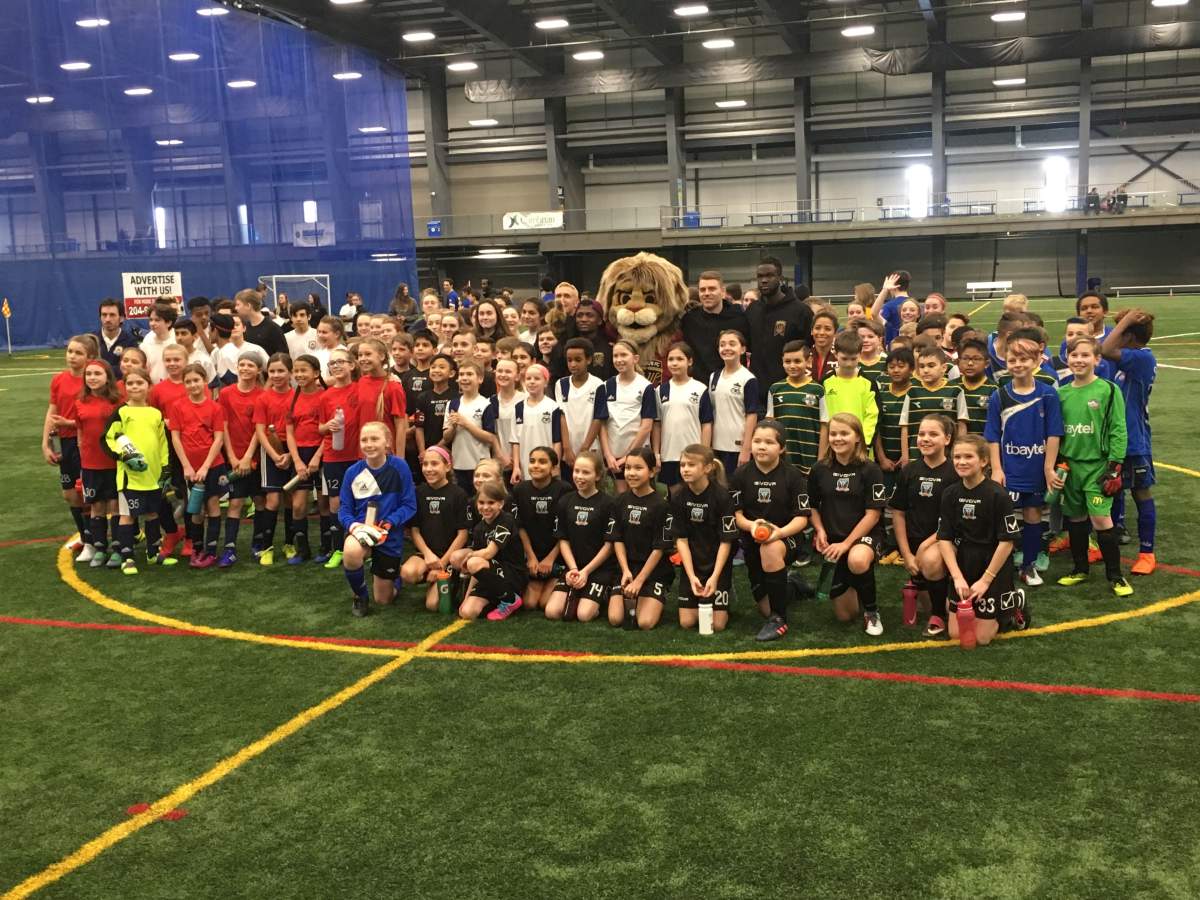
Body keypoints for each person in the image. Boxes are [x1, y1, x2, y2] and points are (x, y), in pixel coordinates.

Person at [1053, 336, 1132, 596]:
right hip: (1070, 467)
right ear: (1067, 359)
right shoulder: (1061, 393)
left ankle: (1116, 576)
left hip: (1098, 467)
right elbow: (1055, 434)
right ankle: (1080, 569)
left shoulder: (1108, 390)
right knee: (1075, 519)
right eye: (1074, 355)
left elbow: (1118, 429)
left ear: (1097, 360)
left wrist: (1115, 465)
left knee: (1100, 519)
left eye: (1085, 355)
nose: (1079, 360)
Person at [984, 337, 1063, 586]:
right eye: (1012, 360)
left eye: (1024, 359)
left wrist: (1048, 468)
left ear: (1037, 360)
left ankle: (1028, 566)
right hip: (1009, 470)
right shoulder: (1000, 395)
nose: (1018, 364)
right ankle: (999, 567)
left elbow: (1054, 433)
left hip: (1036, 469)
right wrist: (997, 468)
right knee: (1003, 518)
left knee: (1033, 514)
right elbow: (993, 436)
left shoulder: (1048, 394)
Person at [938, 434, 1029, 645]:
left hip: (992, 562)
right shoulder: (950, 493)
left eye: (968, 457)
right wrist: (957, 577)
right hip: (964, 561)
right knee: (955, 634)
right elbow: (944, 538)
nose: (961, 462)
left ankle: (1014, 602)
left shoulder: (998, 495)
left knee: (982, 638)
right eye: (957, 457)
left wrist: (986, 580)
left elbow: (1007, 542)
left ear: (983, 461)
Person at [730, 420, 811, 641]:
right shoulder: (740, 475)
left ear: (782, 448)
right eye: (756, 441)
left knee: (771, 548)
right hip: (751, 541)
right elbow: (735, 516)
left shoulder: (793, 476)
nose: (761, 447)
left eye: (769, 442)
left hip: (787, 538)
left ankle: (779, 619)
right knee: (765, 605)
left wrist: (779, 533)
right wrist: (752, 526)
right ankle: (792, 584)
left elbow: (802, 518)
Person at [809, 413, 887, 636]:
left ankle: (872, 612)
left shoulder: (870, 469)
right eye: (833, 433)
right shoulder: (819, 469)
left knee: (858, 559)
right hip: (834, 539)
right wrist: (820, 530)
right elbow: (812, 506)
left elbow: (873, 515)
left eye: (844, 433)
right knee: (845, 616)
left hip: (865, 536)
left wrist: (846, 544)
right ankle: (854, 582)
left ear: (858, 438)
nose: (837, 438)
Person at [338, 422, 417, 617]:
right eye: (364, 440)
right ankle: (360, 596)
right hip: (363, 531)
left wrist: (390, 522)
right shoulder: (352, 473)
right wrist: (355, 526)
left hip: (388, 533)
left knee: (383, 600)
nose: (369, 444)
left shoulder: (400, 467)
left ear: (387, 442)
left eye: (375, 439)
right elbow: (344, 510)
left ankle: (394, 576)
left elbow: (409, 505)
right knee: (350, 550)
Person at [1101, 308, 1157, 574]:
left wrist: (1126, 321)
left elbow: (1105, 348)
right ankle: (1108, 546)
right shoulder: (1131, 360)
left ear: (1129, 336)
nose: (1116, 335)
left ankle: (1147, 553)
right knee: (1111, 492)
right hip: (1116, 439)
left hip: (1134, 441)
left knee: (1141, 492)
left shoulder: (1142, 358)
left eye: (1120, 332)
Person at [890, 414, 957, 636]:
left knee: (930, 561)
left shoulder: (955, 472)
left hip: (946, 540)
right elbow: (898, 513)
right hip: (915, 545)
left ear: (947, 439)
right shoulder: (909, 471)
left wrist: (922, 549)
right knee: (926, 600)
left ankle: (939, 614)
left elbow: (953, 521)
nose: (925, 439)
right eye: (921, 434)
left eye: (933, 434)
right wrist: (906, 553)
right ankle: (940, 602)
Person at [102, 366, 169, 575]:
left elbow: (162, 443)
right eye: (130, 383)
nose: (134, 387)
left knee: (151, 513)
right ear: (125, 387)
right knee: (128, 515)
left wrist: (165, 468)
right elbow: (108, 439)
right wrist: (124, 457)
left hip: (152, 476)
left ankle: (152, 553)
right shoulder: (121, 412)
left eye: (139, 383)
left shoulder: (155, 413)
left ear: (149, 386)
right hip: (130, 477)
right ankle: (127, 557)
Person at [670, 444, 738, 632]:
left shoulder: (722, 497)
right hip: (693, 563)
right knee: (687, 622)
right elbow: (681, 540)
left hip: (718, 563)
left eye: (691, 465)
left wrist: (715, 576)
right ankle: (697, 588)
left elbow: (726, 541)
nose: (685, 469)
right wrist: (691, 576)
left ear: (707, 468)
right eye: (682, 465)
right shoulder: (677, 497)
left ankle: (726, 592)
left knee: (716, 625)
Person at [543, 452, 618, 623]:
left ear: (598, 475)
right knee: (552, 612)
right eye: (576, 471)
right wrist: (574, 569)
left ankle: (603, 595)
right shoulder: (565, 501)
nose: (579, 476)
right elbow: (563, 540)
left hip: (599, 570)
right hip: (574, 568)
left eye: (586, 472)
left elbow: (609, 545)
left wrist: (586, 571)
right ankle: (580, 593)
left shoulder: (609, 504)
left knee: (584, 615)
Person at [607, 448, 675, 629]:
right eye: (628, 468)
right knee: (615, 619)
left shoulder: (662, 505)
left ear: (652, 471)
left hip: (653, 571)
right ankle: (630, 597)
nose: (631, 473)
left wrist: (639, 581)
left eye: (638, 468)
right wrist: (625, 571)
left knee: (645, 623)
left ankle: (653, 595)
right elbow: (617, 539)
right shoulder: (619, 501)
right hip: (627, 568)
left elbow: (659, 548)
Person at [170, 363, 228, 569]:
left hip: (212, 467)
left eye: (196, 380)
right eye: (188, 381)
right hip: (190, 469)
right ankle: (196, 548)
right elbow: (176, 438)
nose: (193, 385)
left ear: (204, 381)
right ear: (183, 384)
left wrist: (205, 467)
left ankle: (211, 551)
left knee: (212, 505)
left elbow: (218, 439)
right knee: (195, 509)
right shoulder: (178, 407)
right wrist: (187, 466)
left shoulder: (215, 407)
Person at [44, 335, 97, 558]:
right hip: (63, 442)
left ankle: (93, 543)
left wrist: (70, 424)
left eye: (78, 353)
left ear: (90, 357)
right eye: (70, 351)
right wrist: (45, 442)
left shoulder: (92, 381)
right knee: (69, 495)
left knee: (84, 492)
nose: (72, 356)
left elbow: (96, 417)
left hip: (84, 442)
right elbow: (52, 411)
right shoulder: (58, 379)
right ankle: (85, 538)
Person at [400, 446, 470, 611]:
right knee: (408, 573)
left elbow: (463, 535)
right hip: (427, 555)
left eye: (434, 464)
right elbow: (414, 531)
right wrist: (427, 554)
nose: (429, 469)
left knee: (433, 606)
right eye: (425, 464)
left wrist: (442, 564)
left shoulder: (459, 494)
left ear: (447, 466)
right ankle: (433, 579)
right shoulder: (418, 492)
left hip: (449, 557)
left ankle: (454, 580)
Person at [216, 352, 265, 567]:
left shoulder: (262, 395)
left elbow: (258, 430)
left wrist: (247, 457)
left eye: (250, 365)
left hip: (255, 458)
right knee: (235, 502)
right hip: (234, 458)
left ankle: (259, 544)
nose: (245, 368)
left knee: (259, 501)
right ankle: (229, 548)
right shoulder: (226, 394)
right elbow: (223, 426)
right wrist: (233, 457)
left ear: (259, 370)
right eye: (242, 364)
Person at [456, 481, 528, 621]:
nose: (486, 507)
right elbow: (475, 570)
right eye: (481, 503)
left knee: (473, 562)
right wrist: (467, 596)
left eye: (491, 503)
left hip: (512, 574)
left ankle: (510, 599)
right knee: (467, 612)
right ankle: (497, 601)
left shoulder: (506, 520)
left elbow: (489, 553)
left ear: (500, 504)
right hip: (489, 576)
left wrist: (470, 556)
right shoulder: (478, 529)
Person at [512, 446, 571, 612]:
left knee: (545, 604)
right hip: (533, 557)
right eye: (532, 461)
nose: (536, 465)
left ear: (553, 468)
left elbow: (566, 530)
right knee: (530, 604)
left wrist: (550, 559)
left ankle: (557, 580)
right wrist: (530, 557)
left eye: (542, 462)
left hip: (557, 556)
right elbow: (520, 526)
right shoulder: (520, 489)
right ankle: (538, 579)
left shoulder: (564, 489)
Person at [75, 360, 122, 568]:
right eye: (89, 374)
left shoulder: (117, 402)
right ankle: (100, 548)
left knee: (115, 506)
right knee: (96, 507)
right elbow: (79, 432)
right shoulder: (80, 402)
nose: (92, 377)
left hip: (112, 463)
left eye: (97, 374)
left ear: (107, 377)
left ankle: (118, 549)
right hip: (91, 464)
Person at [253, 354, 295, 565]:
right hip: (270, 451)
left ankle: (289, 543)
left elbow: (299, 429)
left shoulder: (297, 396)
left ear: (291, 372)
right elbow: (260, 431)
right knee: (273, 499)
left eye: (281, 371)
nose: (277, 375)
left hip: (293, 450)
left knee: (290, 500)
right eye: (272, 371)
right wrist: (275, 455)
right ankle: (266, 547)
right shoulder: (263, 398)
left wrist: (290, 454)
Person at [283, 355, 325, 565]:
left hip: (323, 455)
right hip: (300, 455)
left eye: (304, 370)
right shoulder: (293, 398)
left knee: (324, 503)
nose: (299, 375)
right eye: (296, 371)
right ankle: (303, 550)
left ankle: (327, 547)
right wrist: (297, 461)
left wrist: (318, 457)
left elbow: (330, 432)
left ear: (316, 373)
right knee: (298, 505)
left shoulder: (325, 396)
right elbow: (290, 433)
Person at [653, 343, 713, 487]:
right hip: (669, 454)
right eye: (671, 359)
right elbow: (657, 424)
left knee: (693, 492)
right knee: (674, 496)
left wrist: (703, 453)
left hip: (693, 454)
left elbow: (706, 424)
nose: (674, 363)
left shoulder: (700, 388)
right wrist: (656, 453)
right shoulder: (661, 390)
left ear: (690, 361)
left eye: (680, 359)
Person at [600, 340, 655, 491]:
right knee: (620, 496)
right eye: (615, 355)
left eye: (623, 355)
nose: (619, 359)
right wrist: (608, 455)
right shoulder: (606, 386)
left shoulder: (646, 387)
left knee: (638, 494)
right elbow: (602, 425)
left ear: (635, 359)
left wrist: (628, 457)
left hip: (637, 454)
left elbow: (646, 426)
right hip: (613, 455)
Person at [679, 270, 751, 384]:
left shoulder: (740, 318)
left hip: (733, 386)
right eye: (702, 290)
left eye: (712, 289)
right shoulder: (689, 320)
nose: (706, 293)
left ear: (722, 292)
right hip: (700, 388)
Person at [767, 341, 827, 475]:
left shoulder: (818, 390)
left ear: (808, 361)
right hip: (784, 457)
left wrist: (821, 459)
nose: (792, 365)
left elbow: (824, 426)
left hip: (810, 456)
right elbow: (770, 424)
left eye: (797, 361)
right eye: (787, 361)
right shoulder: (775, 389)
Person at [709, 329, 762, 476]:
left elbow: (752, 415)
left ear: (743, 349)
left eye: (732, 344)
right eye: (722, 344)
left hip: (737, 448)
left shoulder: (748, 378)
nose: (726, 348)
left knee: (735, 492)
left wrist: (746, 449)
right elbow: (712, 412)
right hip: (716, 446)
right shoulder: (714, 376)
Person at [899, 347, 968, 458]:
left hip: (947, 455)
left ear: (944, 368)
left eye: (931, 366)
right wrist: (905, 456)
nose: (925, 370)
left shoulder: (956, 390)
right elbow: (904, 426)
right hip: (916, 455)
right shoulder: (912, 392)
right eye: (921, 366)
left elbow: (962, 425)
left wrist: (959, 452)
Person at [553, 337, 607, 479]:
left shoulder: (598, 384)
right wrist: (566, 448)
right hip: (568, 449)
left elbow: (598, 419)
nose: (573, 364)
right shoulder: (561, 384)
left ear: (588, 360)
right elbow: (561, 416)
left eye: (578, 360)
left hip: (590, 447)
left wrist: (584, 448)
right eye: (569, 360)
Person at [443, 361, 498, 492]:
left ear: (480, 379)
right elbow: (446, 437)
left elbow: (490, 437)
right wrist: (453, 427)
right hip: (458, 465)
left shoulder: (486, 404)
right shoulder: (452, 404)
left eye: (469, 374)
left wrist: (466, 423)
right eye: (461, 374)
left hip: (480, 466)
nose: (465, 378)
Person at [822, 330, 878, 446]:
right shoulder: (825, 382)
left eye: (853, 359)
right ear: (835, 354)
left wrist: (864, 441)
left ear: (860, 354)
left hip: (860, 446)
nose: (849, 363)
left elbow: (873, 415)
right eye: (844, 359)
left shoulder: (868, 383)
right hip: (832, 444)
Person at [511, 364, 565, 484]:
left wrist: (555, 466)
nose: (532, 382)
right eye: (528, 378)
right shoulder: (518, 408)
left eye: (537, 378)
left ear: (545, 382)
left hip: (547, 466)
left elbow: (557, 441)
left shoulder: (553, 407)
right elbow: (515, 441)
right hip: (526, 465)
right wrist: (516, 467)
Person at [356, 338, 407, 453]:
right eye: (360, 355)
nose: (363, 359)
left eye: (368, 354)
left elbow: (400, 427)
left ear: (382, 356)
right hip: (363, 451)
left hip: (385, 453)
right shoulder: (362, 381)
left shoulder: (393, 387)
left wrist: (400, 459)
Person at [413, 354, 458, 459]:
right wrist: (423, 451)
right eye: (433, 367)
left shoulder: (456, 397)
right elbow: (419, 427)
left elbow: (454, 428)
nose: (436, 370)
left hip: (449, 450)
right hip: (426, 450)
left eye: (442, 367)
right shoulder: (422, 397)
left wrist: (437, 448)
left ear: (451, 373)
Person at [951, 336, 996, 435]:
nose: (970, 363)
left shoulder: (994, 390)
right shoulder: (952, 387)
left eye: (976, 359)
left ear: (987, 363)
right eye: (965, 358)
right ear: (958, 362)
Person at [487, 358, 524, 477]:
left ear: (517, 376)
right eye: (500, 371)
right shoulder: (490, 402)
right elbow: (491, 433)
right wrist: (501, 455)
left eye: (508, 371)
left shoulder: (526, 400)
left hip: (525, 457)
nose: (503, 375)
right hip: (501, 460)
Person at [235, 288, 287, 357]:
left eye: (238, 305)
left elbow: (283, 355)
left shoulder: (273, 328)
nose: (235, 308)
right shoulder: (245, 328)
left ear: (248, 306)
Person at [870, 270, 914, 346]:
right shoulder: (915, 304)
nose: (907, 312)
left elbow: (874, 315)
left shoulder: (888, 306)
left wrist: (885, 289)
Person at [94, 299, 140, 369]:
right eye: (104, 315)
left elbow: (131, 370)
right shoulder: (92, 340)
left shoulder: (131, 342)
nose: (107, 319)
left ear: (121, 318)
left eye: (112, 315)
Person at [140, 303, 179, 383]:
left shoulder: (178, 339)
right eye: (151, 320)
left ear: (168, 323)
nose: (152, 324)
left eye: (157, 320)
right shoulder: (147, 339)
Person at [172, 319, 216, 386]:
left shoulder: (204, 360)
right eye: (177, 334)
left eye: (183, 333)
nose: (179, 337)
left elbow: (213, 386)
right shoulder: (170, 359)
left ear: (195, 336)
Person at [809, 308, 838, 382]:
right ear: (812, 331)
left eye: (827, 329)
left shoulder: (842, 356)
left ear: (835, 333)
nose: (821, 332)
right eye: (817, 328)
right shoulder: (803, 356)